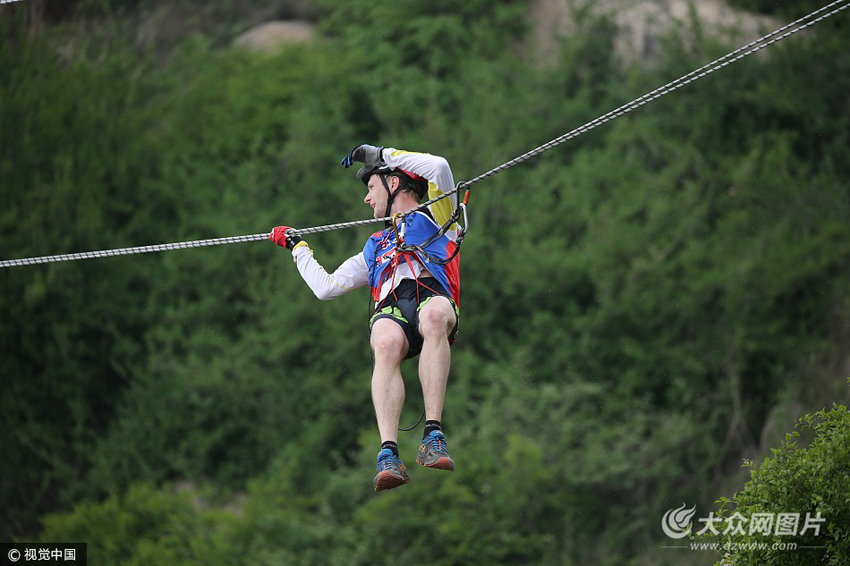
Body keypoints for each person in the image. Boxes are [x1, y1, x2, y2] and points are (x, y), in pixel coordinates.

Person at [269, 145, 461, 491]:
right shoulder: (375, 246)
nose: (366, 199)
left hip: (433, 300)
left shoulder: (439, 215)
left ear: (394, 183)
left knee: (433, 317)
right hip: (393, 313)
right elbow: (325, 288)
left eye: (370, 187)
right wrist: (299, 248)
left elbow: (439, 165)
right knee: (384, 342)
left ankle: (433, 435)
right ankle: (388, 453)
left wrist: (382, 153)